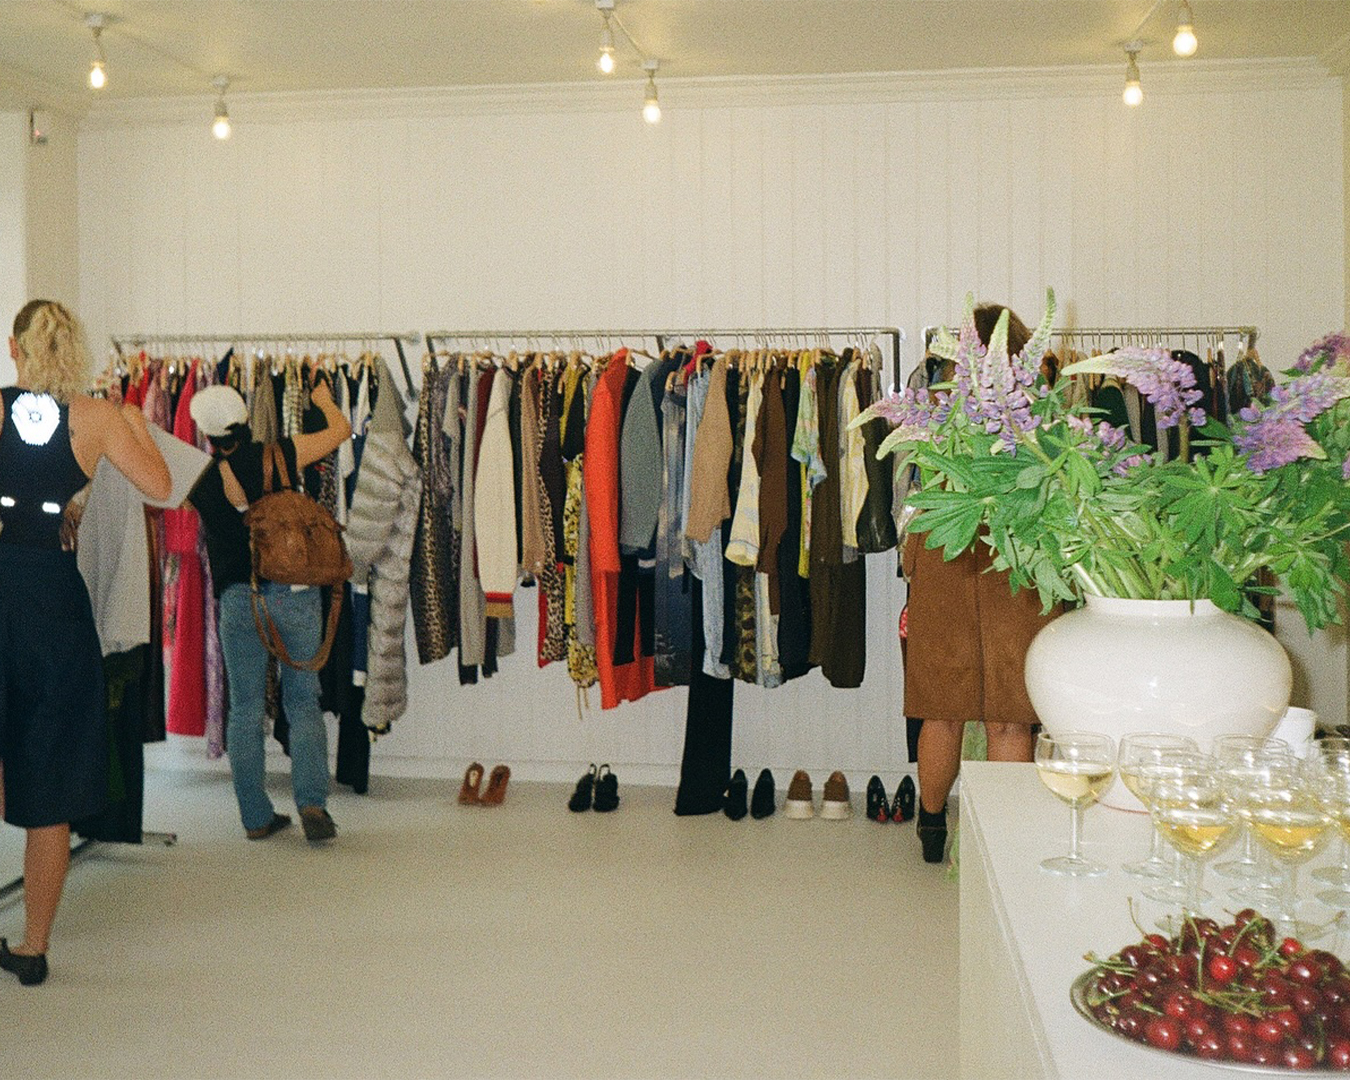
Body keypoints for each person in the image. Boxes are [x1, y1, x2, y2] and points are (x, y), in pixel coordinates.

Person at [0, 299, 171, 986]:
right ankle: (34, 948)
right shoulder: (97, 418)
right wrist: (129, 422)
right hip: (53, 607)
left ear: (14, 348)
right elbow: (160, 486)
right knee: (51, 772)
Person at [906, 303, 1061, 864]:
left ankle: (930, 827)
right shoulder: (1041, 405)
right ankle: (1003, 840)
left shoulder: (939, 404)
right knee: (1010, 712)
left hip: (947, 544)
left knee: (942, 707)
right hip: (1015, 553)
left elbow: (919, 482)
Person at [187, 374, 351, 844]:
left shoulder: (201, 478)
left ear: (207, 432)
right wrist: (322, 398)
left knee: (244, 710)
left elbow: (160, 496)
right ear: (243, 417)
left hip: (240, 600)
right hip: (295, 592)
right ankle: (312, 802)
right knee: (304, 700)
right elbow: (340, 432)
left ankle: (256, 816)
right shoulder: (280, 452)